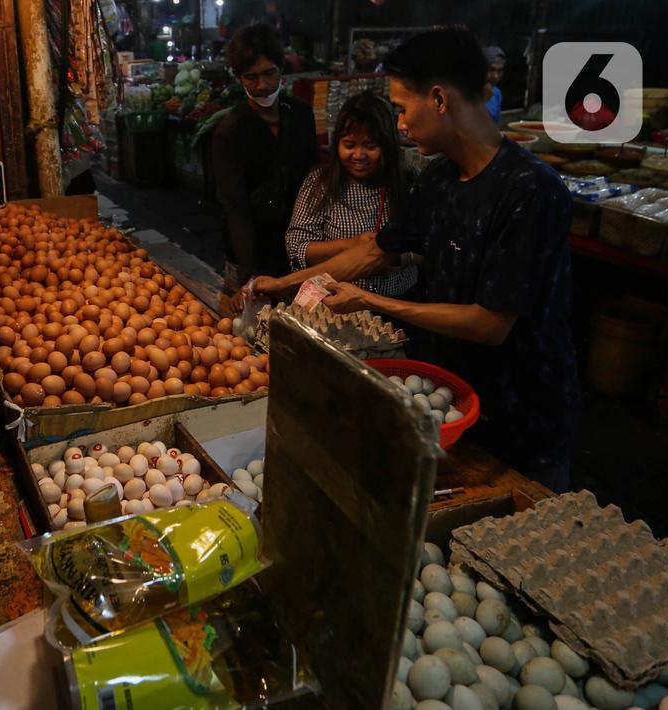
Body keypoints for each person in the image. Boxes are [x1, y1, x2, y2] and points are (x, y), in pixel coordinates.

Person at [247, 28, 579, 493]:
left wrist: (374, 302)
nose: (400, 124)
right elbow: (373, 251)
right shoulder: (440, 178)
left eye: (402, 108)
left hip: (520, 416)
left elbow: (490, 323)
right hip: (448, 396)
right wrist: (282, 284)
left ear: (439, 99)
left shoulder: (530, 191)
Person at [282, 91, 417, 297]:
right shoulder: (320, 183)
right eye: (349, 145)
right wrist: (352, 245)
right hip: (335, 304)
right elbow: (296, 246)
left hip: (399, 301)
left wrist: (399, 258)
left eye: (370, 146)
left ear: (388, 145)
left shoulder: (409, 181)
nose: (359, 155)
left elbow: (432, 245)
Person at [213, 23, 317, 289]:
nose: (263, 85)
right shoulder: (230, 132)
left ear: (281, 68)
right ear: (239, 78)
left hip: (299, 250)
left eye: (269, 73)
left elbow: (313, 181)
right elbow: (235, 207)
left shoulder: (301, 115)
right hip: (249, 252)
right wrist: (249, 276)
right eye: (251, 77)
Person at [484, 45, 506, 123]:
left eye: (499, 71)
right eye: (491, 69)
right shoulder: (468, 93)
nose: (495, 76)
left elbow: (497, 123)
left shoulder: (496, 93)